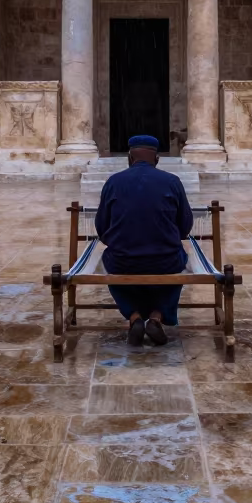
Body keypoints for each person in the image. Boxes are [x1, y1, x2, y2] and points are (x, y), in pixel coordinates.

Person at [95, 134, 194, 346]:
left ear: (129, 158)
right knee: (180, 262)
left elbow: (101, 228)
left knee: (110, 263)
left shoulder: (113, 182)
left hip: (123, 260)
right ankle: (157, 317)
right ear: (157, 159)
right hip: (165, 260)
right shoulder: (172, 182)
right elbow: (185, 226)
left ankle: (135, 317)